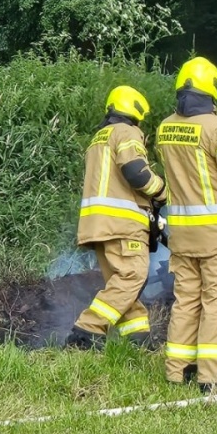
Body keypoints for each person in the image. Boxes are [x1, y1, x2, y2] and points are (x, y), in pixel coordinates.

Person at [157, 57, 217, 392]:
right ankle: (214, 377)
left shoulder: (165, 128)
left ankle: (177, 370)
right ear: (212, 89)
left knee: (186, 300)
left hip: (182, 235)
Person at [66, 86, 167, 350]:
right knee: (132, 276)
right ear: (136, 111)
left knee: (121, 281)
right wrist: (161, 190)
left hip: (97, 224)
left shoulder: (99, 138)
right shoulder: (126, 132)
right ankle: (87, 330)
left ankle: (138, 338)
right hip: (122, 223)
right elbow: (136, 172)